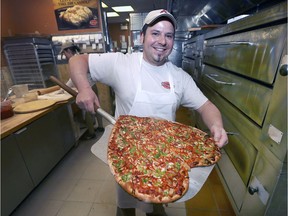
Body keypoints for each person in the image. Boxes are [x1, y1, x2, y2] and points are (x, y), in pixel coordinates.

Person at [69, 9, 228, 216]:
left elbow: (206, 106)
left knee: (156, 208)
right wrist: (84, 88)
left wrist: (217, 125)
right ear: (142, 37)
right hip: (127, 157)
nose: (162, 40)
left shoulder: (179, 77)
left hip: (165, 159)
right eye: (155, 33)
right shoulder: (121, 63)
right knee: (125, 207)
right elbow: (77, 61)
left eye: (168, 35)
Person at [60, 42, 104, 139]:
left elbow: (72, 78)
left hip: (87, 88)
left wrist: (63, 88)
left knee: (87, 110)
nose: (64, 56)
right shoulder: (81, 57)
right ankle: (100, 127)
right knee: (97, 107)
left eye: (64, 53)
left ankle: (91, 133)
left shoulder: (75, 60)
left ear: (68, 51)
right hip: (93, 86)